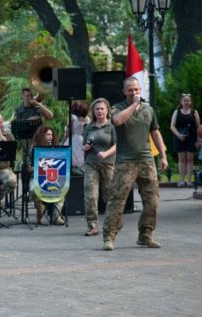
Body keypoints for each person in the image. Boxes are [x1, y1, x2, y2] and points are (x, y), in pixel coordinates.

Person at [102, 77, 167, 251]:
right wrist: (134, 105)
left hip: (146, 160)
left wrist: (163, 156)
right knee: (117, 200)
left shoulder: (148, 110)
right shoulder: (118, 108)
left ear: (140, 90)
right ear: (124, 92)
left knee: (152, 200)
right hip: (126, 162)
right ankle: (109, 236)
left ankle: (145, 235)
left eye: (137, 90)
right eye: (130, 90)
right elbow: (117, 121)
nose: (134, 93)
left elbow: (155, 133)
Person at [81, 98, 116, 236]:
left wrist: (106, 153)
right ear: (93, 111)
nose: (100, 111)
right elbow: (84, 145)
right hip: (91, 164)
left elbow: (117, 145)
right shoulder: (89, 127)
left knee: (109, 195)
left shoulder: (112, 126)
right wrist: (85, 147)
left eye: (102, 108)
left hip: (108, 164)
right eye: (97, 109)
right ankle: (92, 225)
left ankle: (111, 224)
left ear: (107, 110)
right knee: (90, 195)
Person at [28, 126, 64, 225]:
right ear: (41, 136)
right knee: (34, 190)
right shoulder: (33, 149)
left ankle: (56, 217)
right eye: (48, 134)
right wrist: (34, 168)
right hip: (37, 178)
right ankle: (40, 213)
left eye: (51, 134)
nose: (50, 137)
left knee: (62, 188)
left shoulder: (56, 148)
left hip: (53, 177)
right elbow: (29, 168)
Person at [170, 94, 200, 187]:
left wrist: (198, 140)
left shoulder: (194, 112)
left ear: (190, 102)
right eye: (184, 100)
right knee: (182, 160)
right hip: (180, 138)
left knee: (190, 160)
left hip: (192, 138)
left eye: (188, 100)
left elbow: (198, 128)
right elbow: (172, 126)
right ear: (181, 102)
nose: (186, 102)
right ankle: (182, 180)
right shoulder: (177, 112)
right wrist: (178, 135)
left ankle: (189, 181)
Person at [64, 102, 90, 173]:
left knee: (71, 157)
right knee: (80, 156)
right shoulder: (87, 118)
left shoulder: (73, 118)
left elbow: (68, 132)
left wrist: (63, 141)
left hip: (73, 138)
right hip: (81, 139)